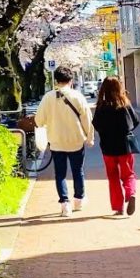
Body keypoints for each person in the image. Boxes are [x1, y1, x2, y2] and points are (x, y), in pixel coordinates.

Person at [34, 66, 95, 217]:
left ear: (56, 80)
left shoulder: (48, 97)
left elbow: (38, 120)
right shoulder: (77, 96)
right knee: (77, 171)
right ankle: (79, 200)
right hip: (75, 141)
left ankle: (64, 204)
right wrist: (89, 137)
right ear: (71, 80)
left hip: (56, 141)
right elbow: (87, 119)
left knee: (60, 173)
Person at [92, 76, 139, 217]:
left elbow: (96, 125)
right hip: (125, 146)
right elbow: (135, 121)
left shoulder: (101, 106)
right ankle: (131, 193)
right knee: (128, 174)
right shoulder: (125, 104)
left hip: (107, 147)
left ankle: (118, 208)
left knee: (113, 177)